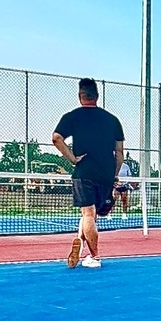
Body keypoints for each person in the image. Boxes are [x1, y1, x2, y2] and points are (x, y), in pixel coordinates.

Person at [52, 78, 124, 269]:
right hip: (106, 173)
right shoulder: (113, 120)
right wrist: (114, 174)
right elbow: (120, 153)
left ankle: (95, 256)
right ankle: (81, 241)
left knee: (88, 213)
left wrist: (72, 159)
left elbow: (56, 138)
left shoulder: (73, 116)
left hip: (84, 171)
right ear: (97, 96)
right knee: (92, 215)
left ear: (80, 96)